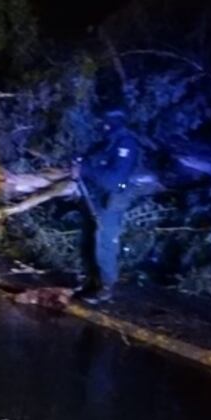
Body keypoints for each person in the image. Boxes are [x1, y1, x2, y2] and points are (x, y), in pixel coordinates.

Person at [72, 108, 140, 305]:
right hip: (94, 198)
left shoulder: (126, 144)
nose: (103, 126)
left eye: (107, 122)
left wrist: (84, 169)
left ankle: (105, 287)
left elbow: (113, 179)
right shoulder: (106, 142)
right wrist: (80, 161)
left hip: (112, 200)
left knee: (105, 243)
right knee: (88, 241)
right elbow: (90, 161)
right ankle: (91, 282)